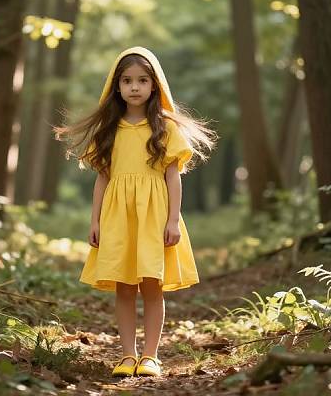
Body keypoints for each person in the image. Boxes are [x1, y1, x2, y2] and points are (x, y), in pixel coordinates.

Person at [54, 47, 216, 377]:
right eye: (127, 81)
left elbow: (173, 177)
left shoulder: (165, 128)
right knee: (124, 287)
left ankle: (151, 356)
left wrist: (173, 220)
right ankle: (127, 355)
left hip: (154, 215)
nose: (135, 87)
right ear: (116, 87)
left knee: (152, 285)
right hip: (118, 216)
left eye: (142, 80)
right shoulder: (110, 130)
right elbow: (103, 178)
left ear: (154, 85)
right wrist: (95, 220)